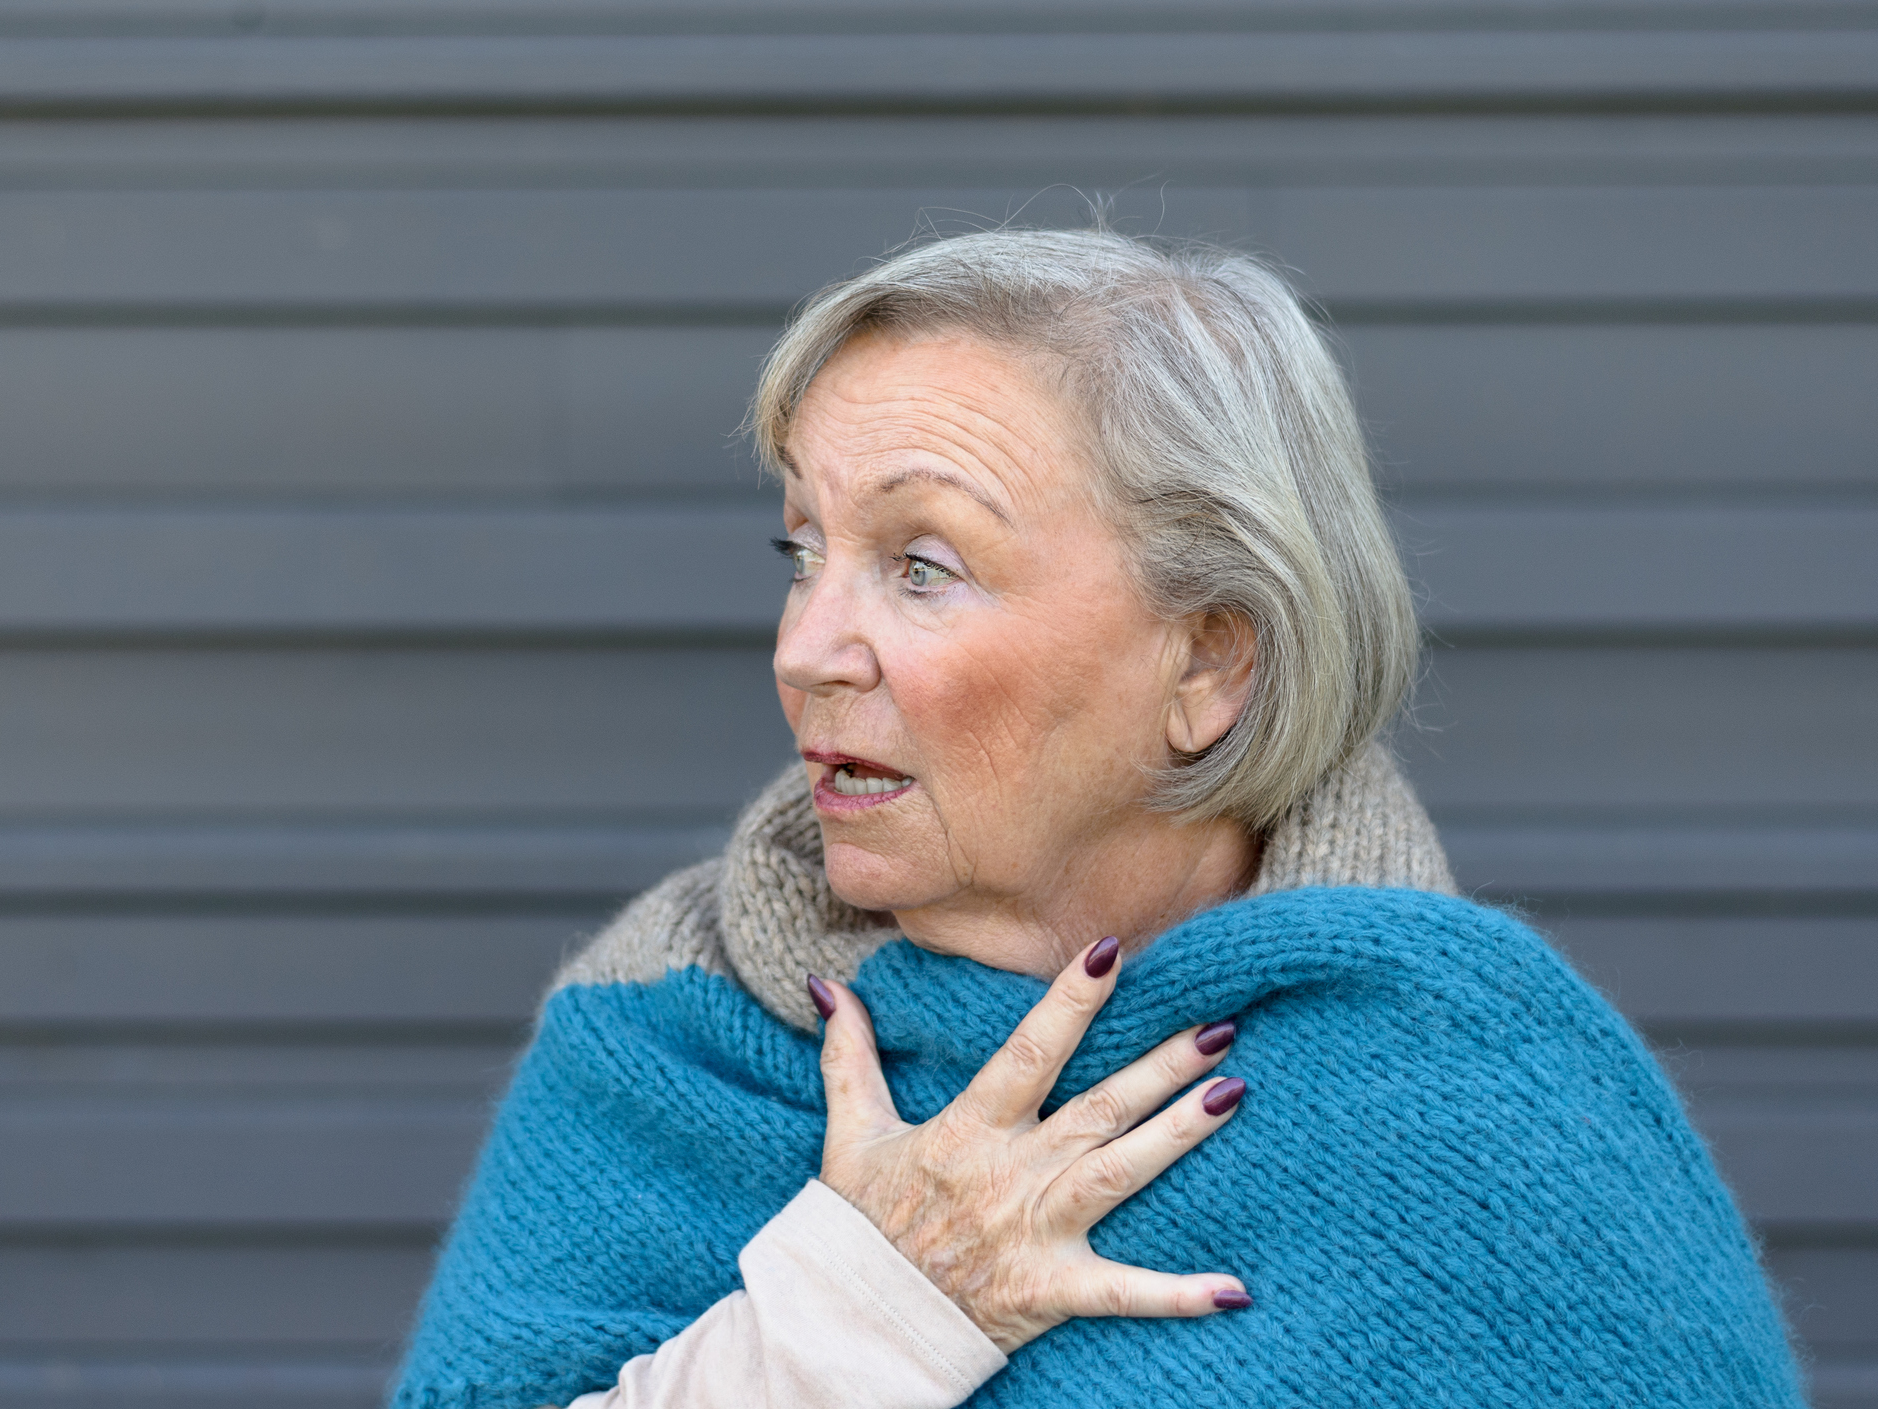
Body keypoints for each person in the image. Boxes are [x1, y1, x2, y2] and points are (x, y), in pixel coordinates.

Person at [390, 229, 1804, 1408]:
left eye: (922, 564)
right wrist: (871, 1300)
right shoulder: (666, 1017)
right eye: (803, 551)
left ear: (1208, 661)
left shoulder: (1479, 1092)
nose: (808, 646)